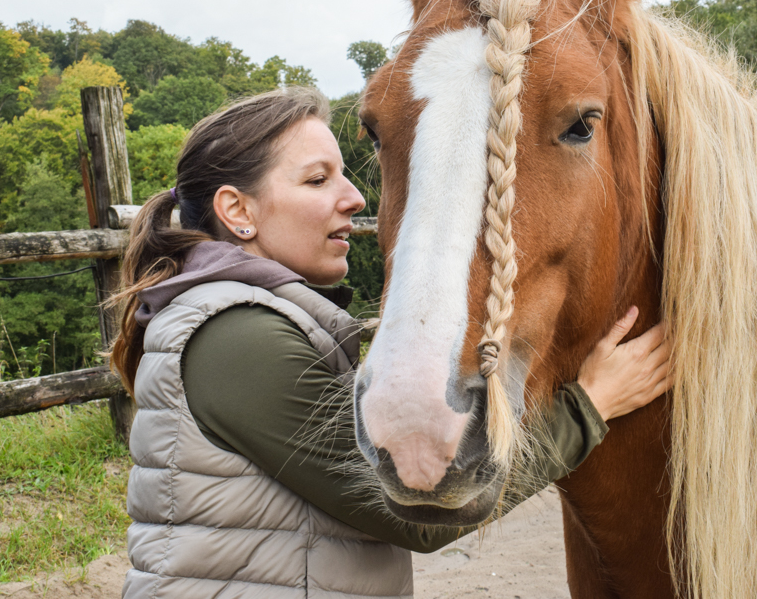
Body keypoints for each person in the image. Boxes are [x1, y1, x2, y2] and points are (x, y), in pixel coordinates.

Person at [112, 87, 673, 599]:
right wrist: (590, 406)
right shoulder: (234, 335)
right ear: (238, 212)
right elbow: (417, 512)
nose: (355, 197)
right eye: (317, 180)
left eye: (345, 175)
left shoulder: (248, 316)